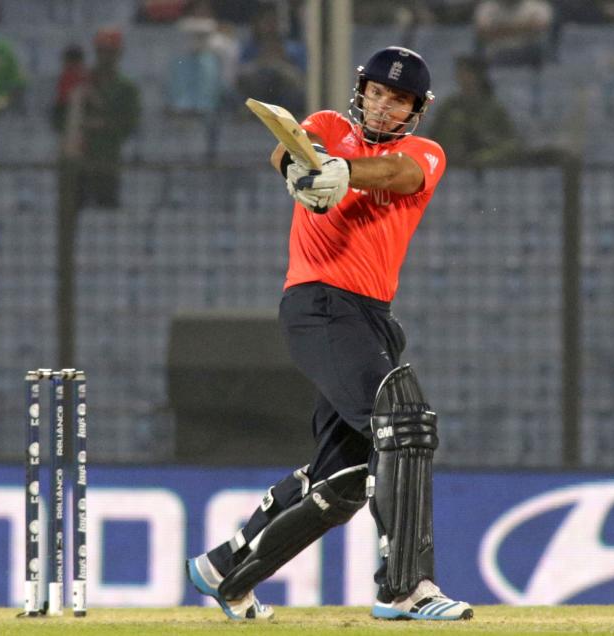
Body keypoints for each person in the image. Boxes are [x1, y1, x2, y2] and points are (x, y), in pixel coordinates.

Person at [185, 46, 474, 622]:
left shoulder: (424, 153)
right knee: (404, 425)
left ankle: (226, 567)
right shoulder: (327, 125)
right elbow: (292, 149)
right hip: (320, 303)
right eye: (378, 93)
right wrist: (301, 169)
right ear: (361, 90)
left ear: (416, 110)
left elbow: (396, 173)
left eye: (400, 100)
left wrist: (345, 175)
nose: (385, 108)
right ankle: (405, 589)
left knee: (342, 476)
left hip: (371, 318)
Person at [53, 27, 140, 209]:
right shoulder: (80, 80)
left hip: (108, 161)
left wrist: (104, 124)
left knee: (106, 216)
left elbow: (131, 122)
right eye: (102, 50)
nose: (106, 56)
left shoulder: (127, 88)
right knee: (73, 213)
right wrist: (77, 125)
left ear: (119, 53)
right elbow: (58, 117)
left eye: (111, 51)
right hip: (79, 161)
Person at [427, 55, 521, 165]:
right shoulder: (449, 106)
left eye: (468, 73)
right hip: (450, 164)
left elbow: (511, 142)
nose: (463, 78)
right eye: (460, 73)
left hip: (485, 162)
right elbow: (433, 137)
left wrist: (484, 153)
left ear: (479, 76)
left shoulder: (494, 109)